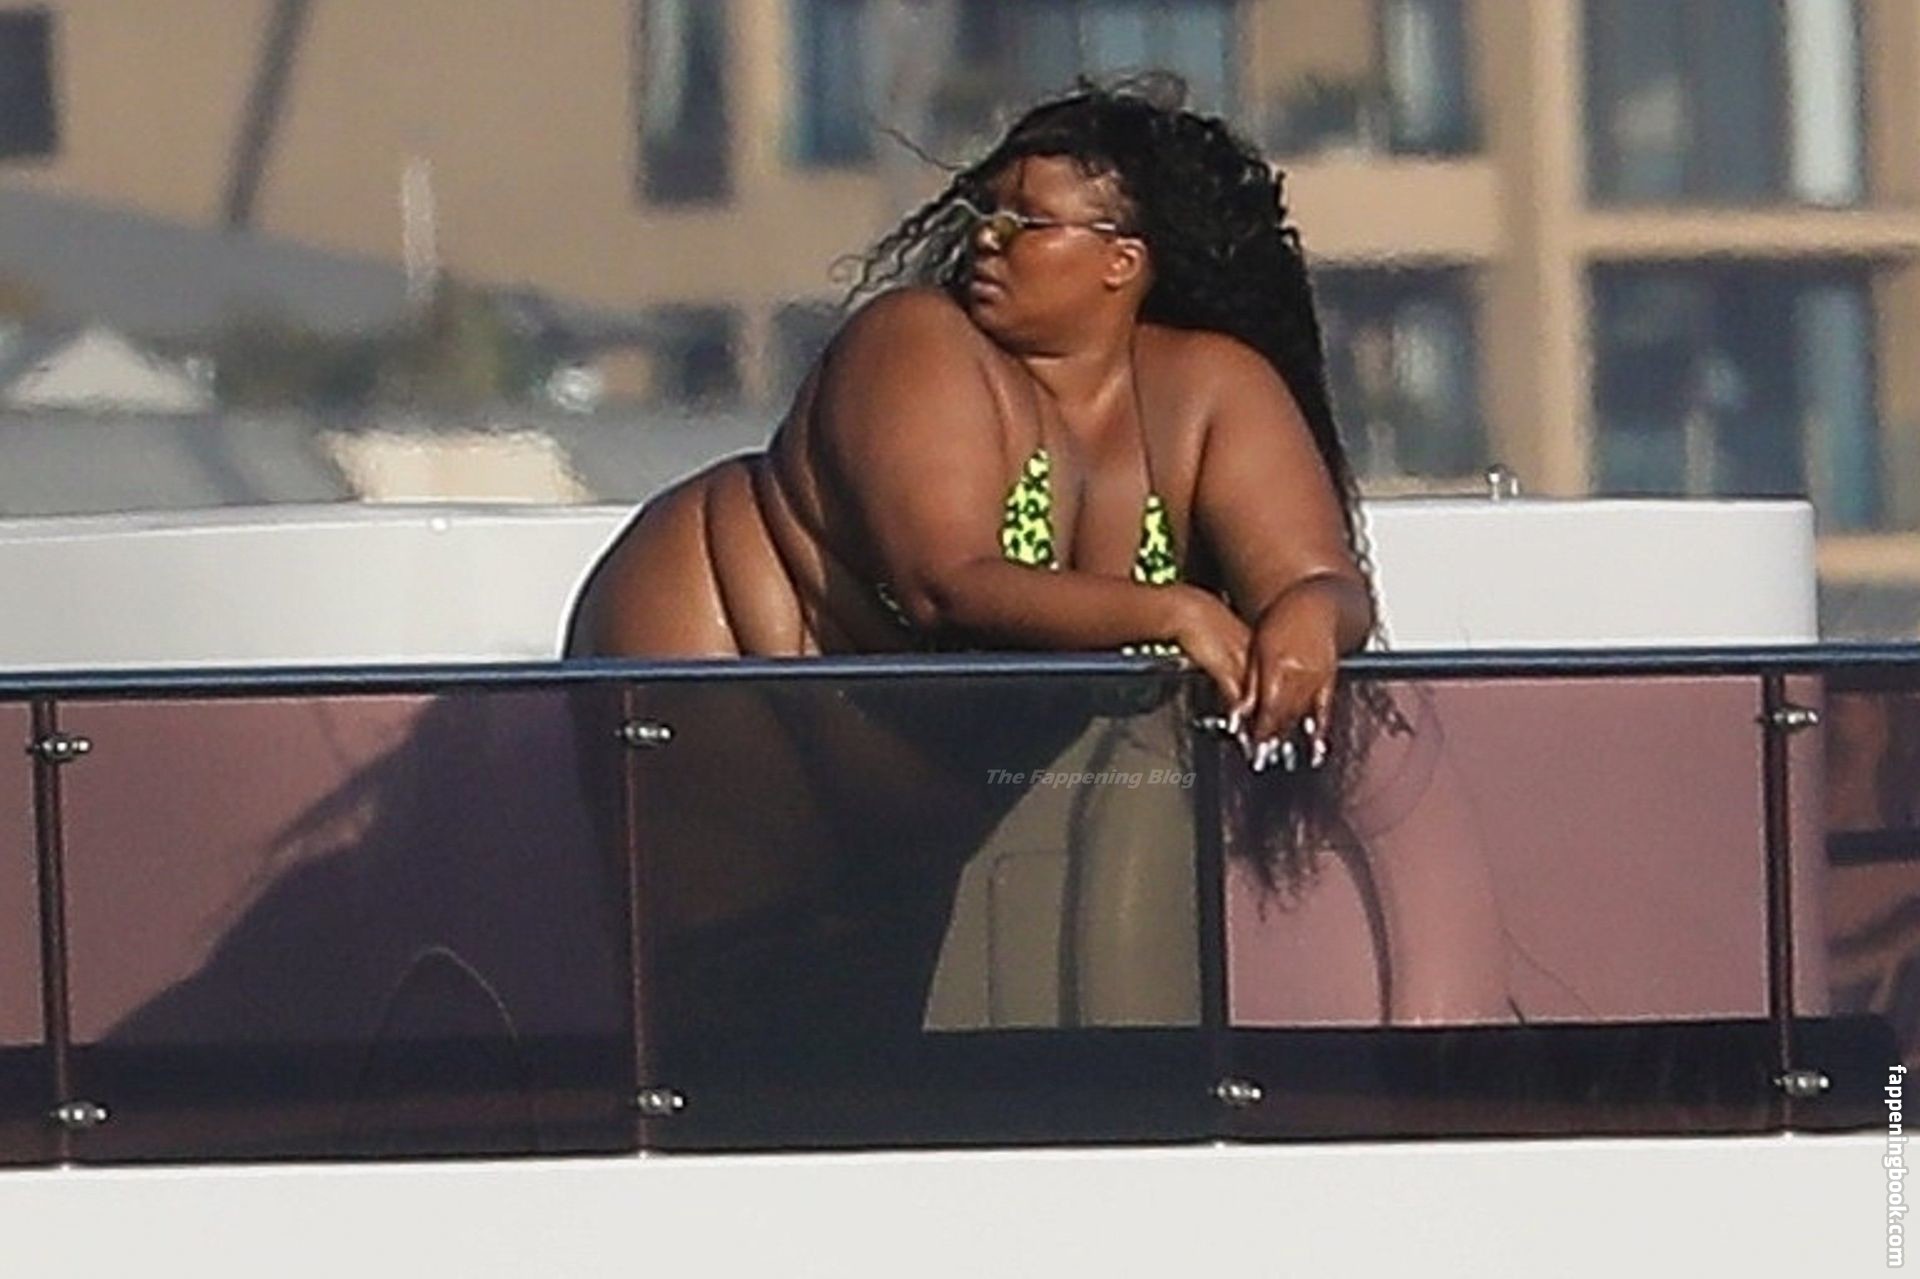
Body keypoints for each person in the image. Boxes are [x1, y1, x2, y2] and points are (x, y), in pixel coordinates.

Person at [567, 81, 1374, 769]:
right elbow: (944, 584)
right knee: (738, 910)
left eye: (1028, 221)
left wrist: (1310, 615)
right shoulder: (915, 341)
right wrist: (1175, 612)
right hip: (723, 654)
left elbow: (1321, 579)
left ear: (1122, 261)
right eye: (986, 210)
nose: (988, 236)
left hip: (919, 757)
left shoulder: (1213, 390)